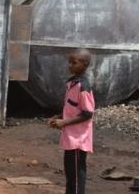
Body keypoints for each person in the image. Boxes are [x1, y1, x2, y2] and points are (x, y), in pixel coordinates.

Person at [49, 49, 95, 194]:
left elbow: (87, 113)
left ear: (85, 64)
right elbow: (70, 107)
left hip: (78, 139)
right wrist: (58, 117)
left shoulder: (83, 87)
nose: (70, 65)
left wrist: (65, 123)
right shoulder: (71, 83)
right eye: (69, 62)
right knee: (70, 173)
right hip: (70, 136)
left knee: (76, 175)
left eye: (74, 63)